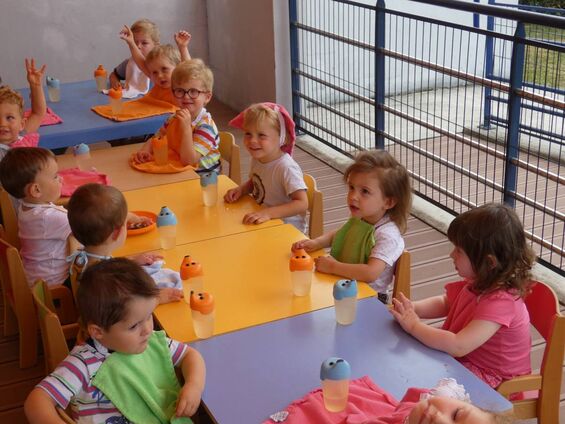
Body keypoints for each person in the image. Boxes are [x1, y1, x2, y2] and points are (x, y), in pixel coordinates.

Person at [24, 258, 206, 423]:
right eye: (134, 326)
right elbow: (36, 402)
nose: (148, 329)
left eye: (149, 316)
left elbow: (191, 355)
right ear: (98, 332)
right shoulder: (84, 364)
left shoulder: (149, 341)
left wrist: (193, 386)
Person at [391, 203, 535, 389]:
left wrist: (414, 326)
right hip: (465, 360)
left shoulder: (502, 302)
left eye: (459, 250)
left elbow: (459, 346)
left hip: (493, 380)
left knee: (419, 381)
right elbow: (446, 303)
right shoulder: (480, 280)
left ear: (488, 262)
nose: (451, 254)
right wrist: (412, 308)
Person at [292, 150, 411, 300]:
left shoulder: (387, 235)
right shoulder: (362, 217)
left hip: (369, 299)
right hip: (343, 286)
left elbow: (370, 273)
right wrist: (316, 243)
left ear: (388, 202)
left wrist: (333, 267)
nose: (353, 196)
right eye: (351, 187)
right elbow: (341, 234)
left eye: (365, 192)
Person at [66, 183, 183, 304]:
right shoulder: (105, 280)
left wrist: (131, 261)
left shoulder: (82, 258)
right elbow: (129, 308)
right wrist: (157, 298)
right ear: (117, 233)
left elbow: (107, 264)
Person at [224, 102, 308, 232]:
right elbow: (257, 182)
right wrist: (242, 189)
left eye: (261, 135)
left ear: (283, 138)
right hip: (262, 220)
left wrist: (268, 213)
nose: (252, 140)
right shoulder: (258, 158)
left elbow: (302, 204)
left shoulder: (286, 168)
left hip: (286, 230)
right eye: (248, 134)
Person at [0, 147, 71, 287]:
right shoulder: (50, 218)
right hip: (52, 285)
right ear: (36, 190)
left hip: (33, 279)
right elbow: (91, 226)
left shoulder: (24, 207)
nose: (61, 179)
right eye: (55, 176)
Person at [133, 59, 220, 172]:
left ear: (207, 97)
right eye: (180, 91)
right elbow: (157, 138)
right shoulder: (173, 119)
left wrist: (186, 129)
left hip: (202, 179)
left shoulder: (206, 127)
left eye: (193, 91)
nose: (186, 97)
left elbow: (189, 161)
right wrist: (145, 150)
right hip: (178, 171)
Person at [120, 23, 191, 104]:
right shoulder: (156, 81)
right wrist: (131, 43)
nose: (159, 75)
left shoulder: (180, 84)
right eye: (154, 72)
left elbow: (188, 68)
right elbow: (140, 61)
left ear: (178, 68)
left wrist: (183, 47)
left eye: (164, 69)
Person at [0, 58, 46, 160]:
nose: (2, 123)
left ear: (21, 124)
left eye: (9, 117)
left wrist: (36, 86)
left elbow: (38, 113)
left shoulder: (19, 135)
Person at [108, 19, 160, 96]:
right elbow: (113, 75)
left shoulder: (160, 64)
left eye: (144, 43)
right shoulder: (129, 63)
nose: (138, 46)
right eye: (135, 43)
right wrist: (115, 83)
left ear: (156, 45)